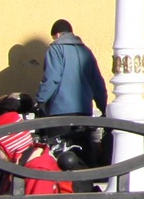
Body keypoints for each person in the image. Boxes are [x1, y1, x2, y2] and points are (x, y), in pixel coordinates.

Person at [35, 19, 108, 164]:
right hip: (84, 113)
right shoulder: (86, 51)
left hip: (60, 113)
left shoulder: (55, 49)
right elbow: (97, 82)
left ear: (57, 35)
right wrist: (103, 106)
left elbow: (52, 78)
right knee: (84, 156)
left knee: (59, 156)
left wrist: (40, 100)